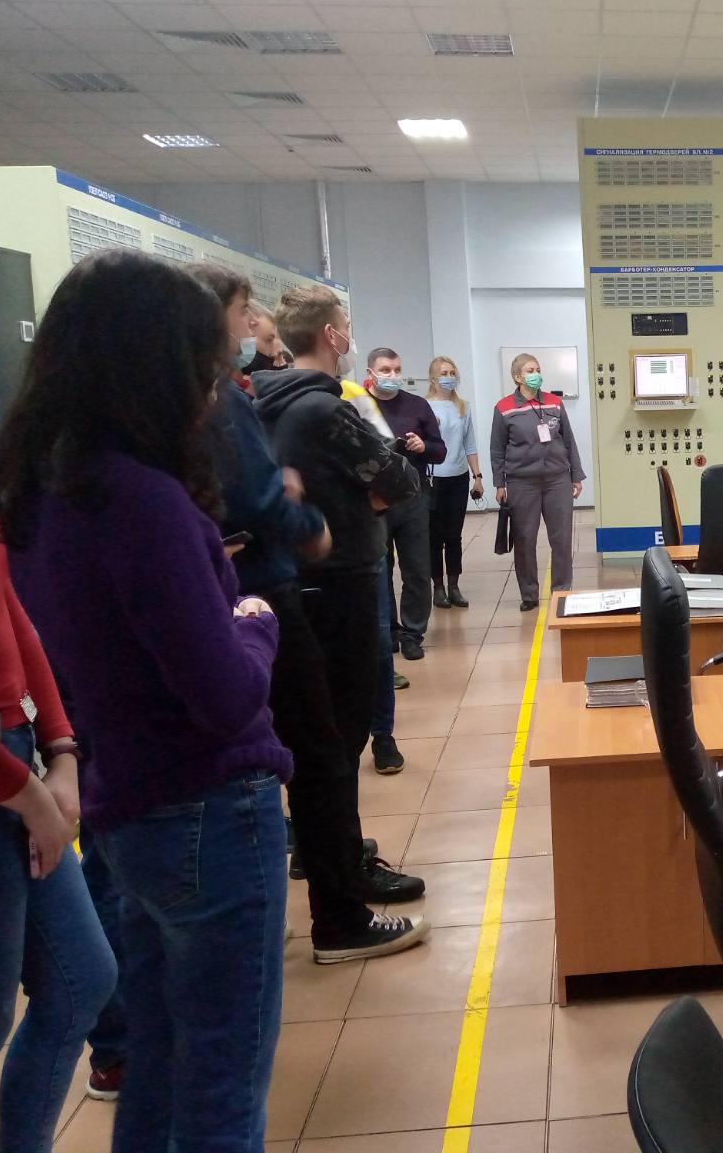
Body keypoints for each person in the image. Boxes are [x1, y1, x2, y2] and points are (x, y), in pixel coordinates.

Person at [0, 249, 288, 1152]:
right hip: (208, 808)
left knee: (159, 1058)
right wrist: (254, 622)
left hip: (127, 804)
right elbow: (224, 696)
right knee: (225, 1079)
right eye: (205, 366)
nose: (214, 388)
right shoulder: (145, 501)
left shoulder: (41, 489)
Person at [0, 299, 116, 1153]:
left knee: (82, 980)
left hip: (15, 759)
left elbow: (12, 616)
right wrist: (25, 794)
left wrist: (61, 750)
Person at [254, 285, 431, 959]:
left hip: (297, 584)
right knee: (338, 741)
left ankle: (334, 854)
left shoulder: (261, 400)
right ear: (332, 335)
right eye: (346, 326)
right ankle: (341, 893)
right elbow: (401, 481)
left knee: (319, 740)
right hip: (343, 581)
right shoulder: (327, 408)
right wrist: (373, 489)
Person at [340, 376, 412, 775]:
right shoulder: (268, 403)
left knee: (379, 640)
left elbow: (391, 465)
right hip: (308, 553)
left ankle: (382, 735)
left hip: (364, 541)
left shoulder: (351, 396)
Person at [365, 347, 444, 660]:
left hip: (413, 497)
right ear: (371, 373)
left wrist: (423, 446)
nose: (392, 376)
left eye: (397, 370)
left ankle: (413, 633)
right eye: (385, 370)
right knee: (380, 569)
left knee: (417, 568)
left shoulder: (417, 405)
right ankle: (389, 631)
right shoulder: (358, 407)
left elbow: (440, 451)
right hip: (374, 500)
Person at [490, 352, 585, 611]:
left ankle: (561, 591)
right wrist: (500, 483)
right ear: (518, 377)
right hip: (522, 483)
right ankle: (529, 594)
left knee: (561, 539)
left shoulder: (554, 403)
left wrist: (576, 475)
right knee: (524, 540)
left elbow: (569, 441)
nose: (536, 374)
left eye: (538, 369)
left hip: (557, 480)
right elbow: (497, 449)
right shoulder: (504, 407)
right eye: (530, 370)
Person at [425, 355, 484, 609]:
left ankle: (454, 586)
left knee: (454, 535)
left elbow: (469, 444)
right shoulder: (424, 407)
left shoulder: (463, 407)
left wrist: (477, 476)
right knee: (434, 537)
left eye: (452, 373)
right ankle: (438, 588)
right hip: (432, 479)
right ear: (433, 379)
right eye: (444, 373)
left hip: (458, 478)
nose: (449, 377)